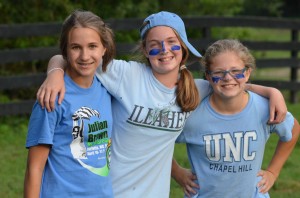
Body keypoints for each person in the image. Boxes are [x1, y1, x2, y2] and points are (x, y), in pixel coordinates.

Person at [36, 11, 288, 197]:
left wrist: (271, 90)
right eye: (154, 46)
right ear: (145, 51)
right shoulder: (125, 74)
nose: (164, 51)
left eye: (171, 43)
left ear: (183, 47)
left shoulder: (195, 90)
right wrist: (54, 72)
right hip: (110, 190)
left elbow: (229, 82)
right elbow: (73, 56)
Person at [172, 39, 300, 198]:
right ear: (208, 77)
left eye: (235, 71)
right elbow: (156, 141)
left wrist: (272, 172)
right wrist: (177, 173)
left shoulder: (264, 108)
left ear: (247, 73)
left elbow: (293, 129)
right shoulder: (192, 114)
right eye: (219, 72)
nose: (228, 78)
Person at [24, 10, 115, 198]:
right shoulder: (52, 97)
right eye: (75, 47)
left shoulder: (108, 88)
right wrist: (55, 72)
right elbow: (34, 169)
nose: (84, 56)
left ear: (104, 48)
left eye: (92, 46)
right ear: (65, 50)